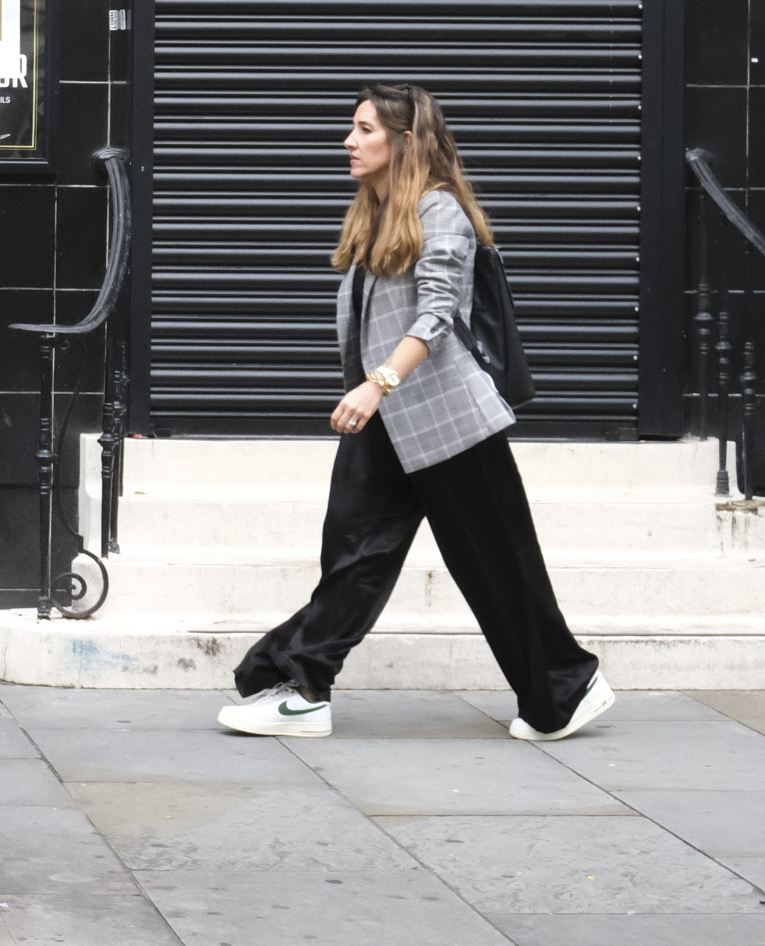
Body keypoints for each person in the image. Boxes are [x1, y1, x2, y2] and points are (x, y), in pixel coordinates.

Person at [217, 83, 612, 742]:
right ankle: (304, 686)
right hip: (386, 425)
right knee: (353, 555)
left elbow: (437, 311)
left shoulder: (441, 211)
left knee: (497, 565)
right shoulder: (373, 214)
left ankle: (566, 686)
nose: (350, 140)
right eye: (353, 127)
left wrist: (377, 384)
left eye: (365, 128)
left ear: (406, 141)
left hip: (448, 421)